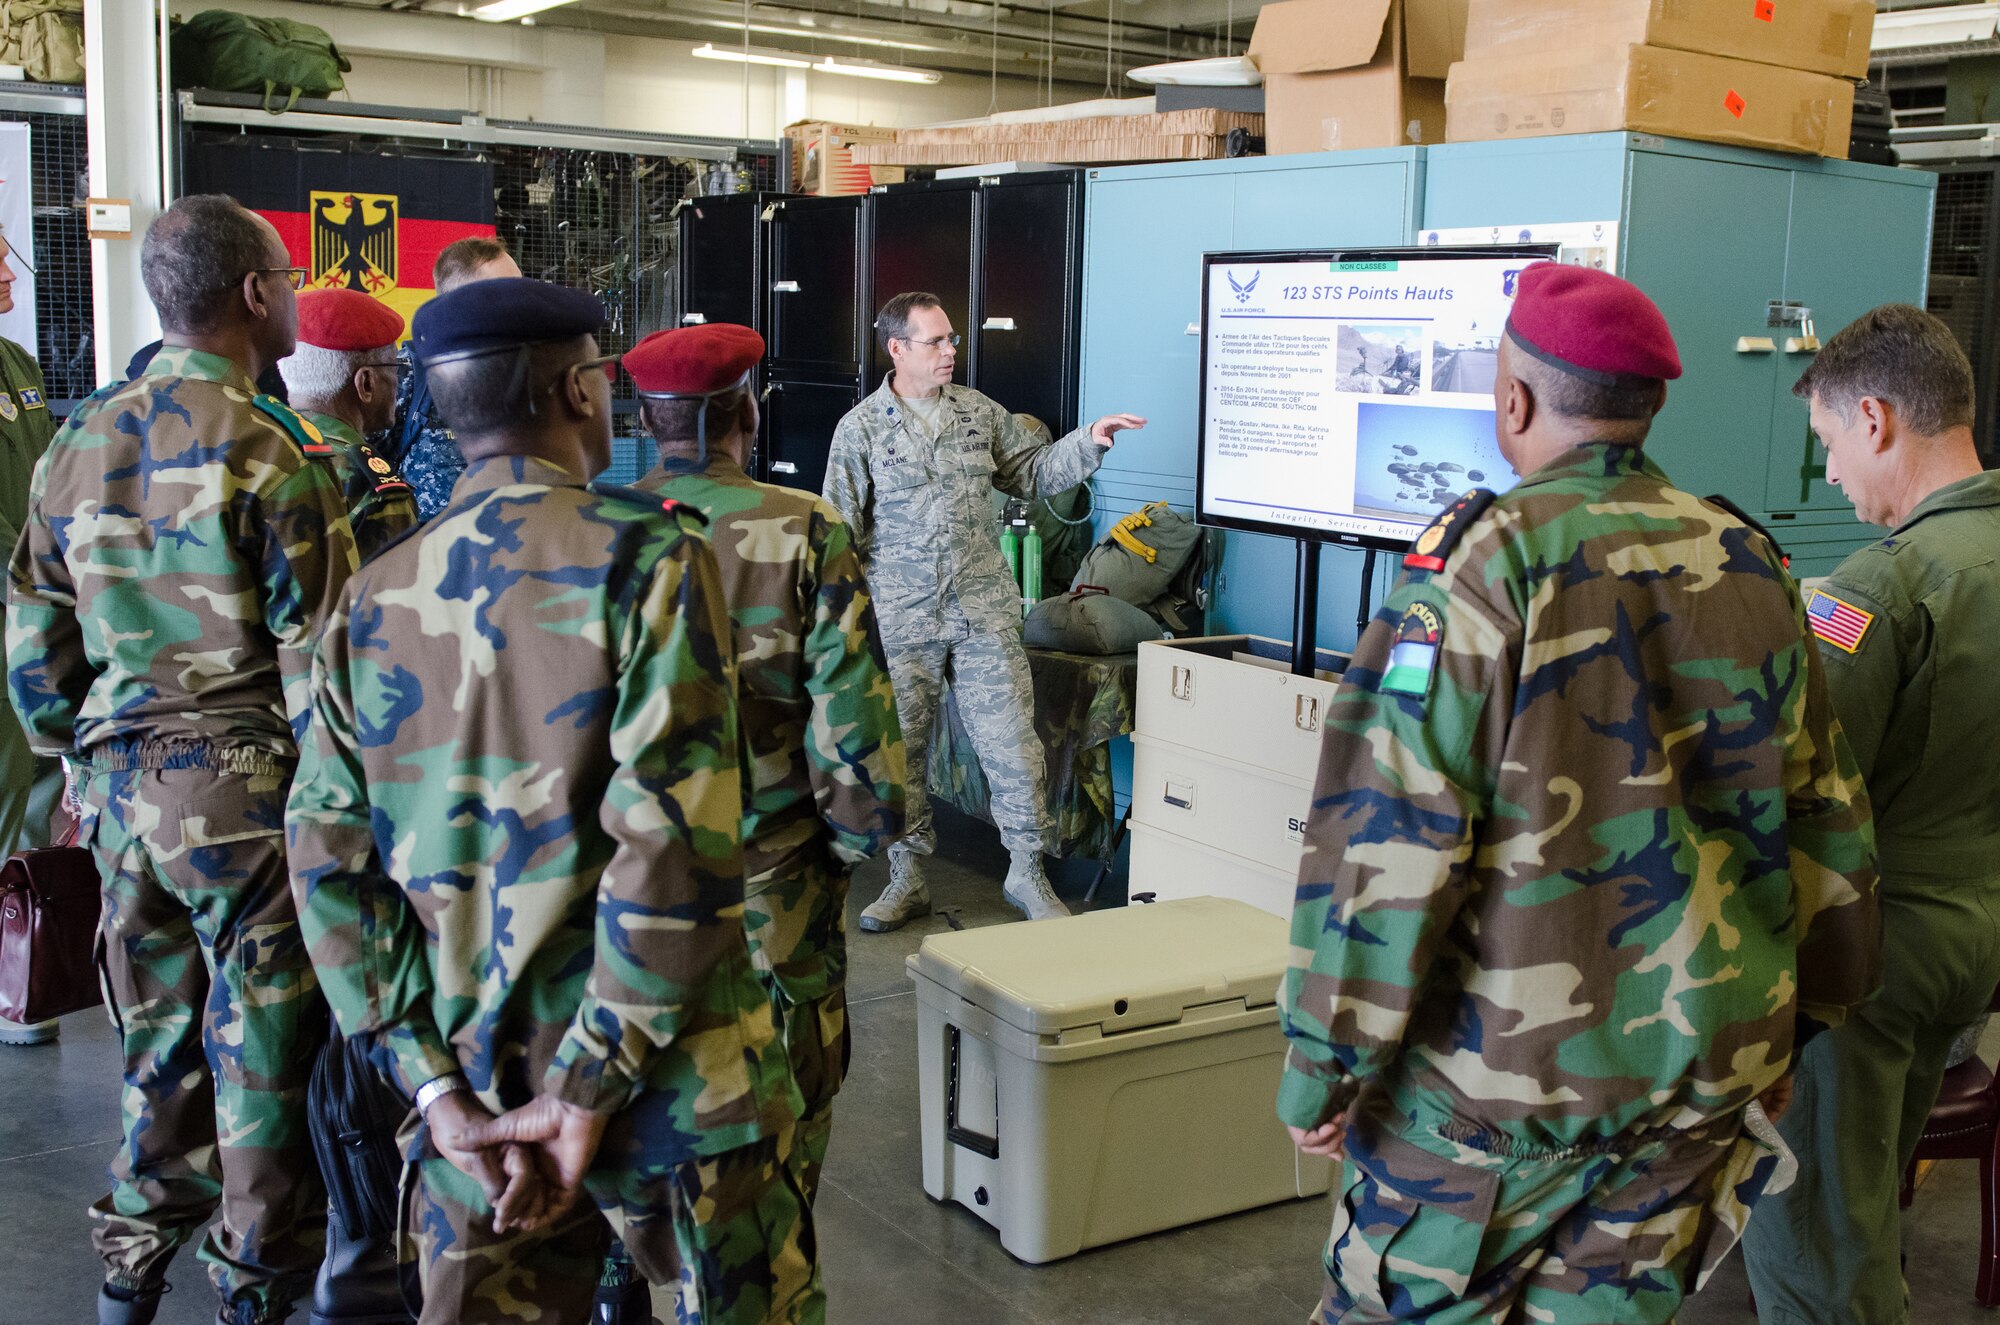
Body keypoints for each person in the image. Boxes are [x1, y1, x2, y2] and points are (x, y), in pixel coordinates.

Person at [1277, 262, 1881, 1325]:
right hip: (1694, 1080)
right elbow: (1822, 815)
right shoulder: (1749, 562)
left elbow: (1387, 838)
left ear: (1510, 399)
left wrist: (1322, 1070)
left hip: (1492, 1101)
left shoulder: (1481, 568)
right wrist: (1796, 1028)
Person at [286, 278, 820, 1325]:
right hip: (674, 1087)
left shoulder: (373, 593)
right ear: (580, 390)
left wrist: (433, 1088)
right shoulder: (647, 555)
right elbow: (676, 843)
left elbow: (328, 867)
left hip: (472, 1098)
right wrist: (584, 1084)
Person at [5, 194, 356, 1325]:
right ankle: (250, 1289)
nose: (297, 296)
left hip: (117, 799)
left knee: (155, 1043)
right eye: (288, 278)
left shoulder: (78, 436)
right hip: (247, 798)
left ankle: (126, 1278)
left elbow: (33, 632)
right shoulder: (276, 445)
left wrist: (74, 756)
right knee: (261, 1058)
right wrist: (341, 823)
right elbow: (323, 663)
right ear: (254, 295)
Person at [1742, 304, 2000, 1325]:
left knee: (1816, 1233)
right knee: (1873, 1201)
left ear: (1877, 419)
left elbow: (1795, 780)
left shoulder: (1874, 588)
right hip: (1972, 937)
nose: (1833, 476)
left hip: (1866, 951)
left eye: (1829, 444)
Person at [625, 322, 906, 1202]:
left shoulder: (604, 528)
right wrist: (862, 841)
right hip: (775, 889)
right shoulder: (804, 530)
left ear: (644, 417)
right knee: (781, 1122)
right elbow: (854, 730)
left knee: (637, 1109)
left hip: (628, 892)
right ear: (747, 411)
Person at [822, 291, 1145, 931]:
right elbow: (838, 539)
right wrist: (844, 631)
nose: (950, 352)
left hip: (982, 611)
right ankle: (906, 876)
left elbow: (1033, 473)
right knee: (905, 750)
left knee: (1012, 745)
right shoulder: (859, 430)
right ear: (897, 348)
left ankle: (1026, 872)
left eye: (952, 340)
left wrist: (1089, 440)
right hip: (903, 617)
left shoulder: (977, 413)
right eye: (936, 341)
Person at [0, 222, 66, 1048]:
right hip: (12, 599)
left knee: (33, 779)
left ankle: (18, 970)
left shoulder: (19, 365)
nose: (11, 268)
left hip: (33, 607)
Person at [276, 287, 418, 563]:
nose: (398, 382)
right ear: (366, 383)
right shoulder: (370, 488)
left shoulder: (256, 447)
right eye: (394, 368)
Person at [387, 235, 520, 518]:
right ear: (456, 303)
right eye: (503, 293)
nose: (519, 303)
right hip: (430, 556)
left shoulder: (527, 376)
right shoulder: (409, 375)